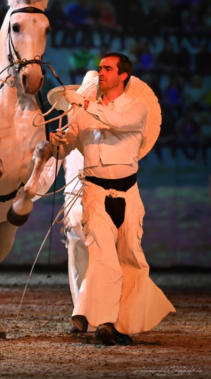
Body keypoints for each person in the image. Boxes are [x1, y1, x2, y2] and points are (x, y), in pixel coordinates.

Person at [49, 52, 175, 346]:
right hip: (94, 192)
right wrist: (60, 143)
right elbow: (70, 145)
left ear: (123, 76)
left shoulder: (136, 109)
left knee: (132, 259)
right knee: (103, 256)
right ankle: (104, 323)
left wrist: (86, 104)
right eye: (100, 68)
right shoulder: (81, 112)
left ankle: (123, 323)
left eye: (108, 68)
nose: (101, 71)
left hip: (128, 193)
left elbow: (118, 123)